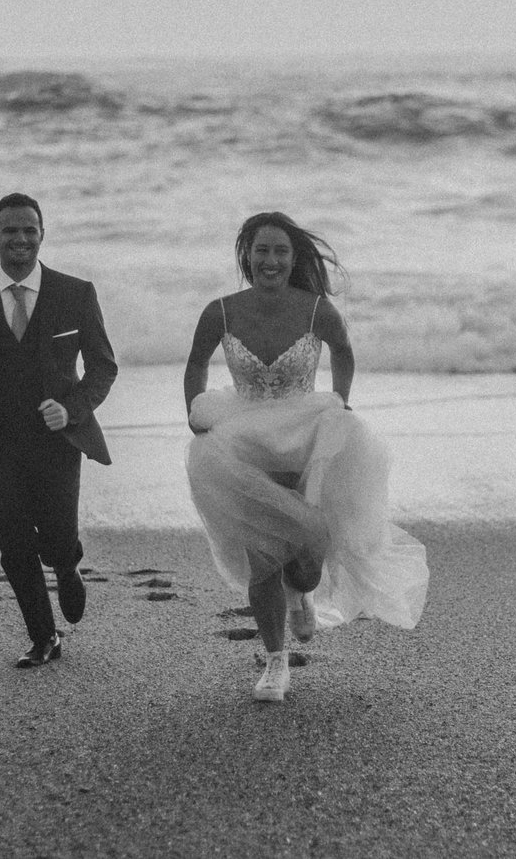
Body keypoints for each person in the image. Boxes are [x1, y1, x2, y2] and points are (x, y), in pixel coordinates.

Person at [183, 211, 427, 701]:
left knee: (305, 561)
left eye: (281, 252)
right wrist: (194, 411)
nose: (271, 260)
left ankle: (303, 592)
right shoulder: (221, 311)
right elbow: (194, 363)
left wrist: (340, 400)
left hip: (306, 439)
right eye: (262, 251)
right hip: (243, 442)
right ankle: (275, 662)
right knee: (263, 558)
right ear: (247, 256)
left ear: (293, 259)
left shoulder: (316, 310)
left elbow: (344, 351)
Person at [0, 192, 118, 668]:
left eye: (29, 230)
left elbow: (103, 368)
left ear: (42, 234)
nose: (20, 238)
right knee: (14, 544)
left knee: (57, 536)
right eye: (10, 230)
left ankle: (67, 562)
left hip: (58, 441)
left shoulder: (75, 293)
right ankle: (44, 637)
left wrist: (72, 409)